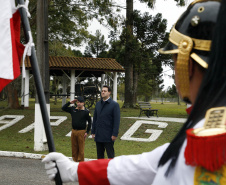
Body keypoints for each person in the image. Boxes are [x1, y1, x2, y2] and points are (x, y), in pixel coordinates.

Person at [43, 0, 226, 184]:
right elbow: (147, 165)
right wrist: (74, 170)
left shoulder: (210, 143)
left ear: (188, 65)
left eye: (175, 60)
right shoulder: (204, 127)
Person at [91, 85, 120, 159]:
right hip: (99, 134)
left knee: (110, 156)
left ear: (109, 92)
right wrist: (93, 131)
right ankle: (100, 170)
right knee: (99, 156)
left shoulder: (114, 105)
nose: (103, 92)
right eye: (102, 91)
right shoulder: (98, 104)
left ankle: (112, 170)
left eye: (105, 91)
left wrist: (114, 134)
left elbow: (116, 121)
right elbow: (95, 119)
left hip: (109, 135)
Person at [62, 96, 92, 162]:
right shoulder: (73, 109)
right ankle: (75, 161)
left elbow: (90, 122)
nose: (79, 103)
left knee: (81, 148)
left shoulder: (86, 111)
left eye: (80, 102)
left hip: (81, 132)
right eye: (78, 102)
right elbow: (63, 108)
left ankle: (80, 162)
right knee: (74, 147)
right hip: (74, 131)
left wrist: (87, 132)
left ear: (83, 103)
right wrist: (70, 102)